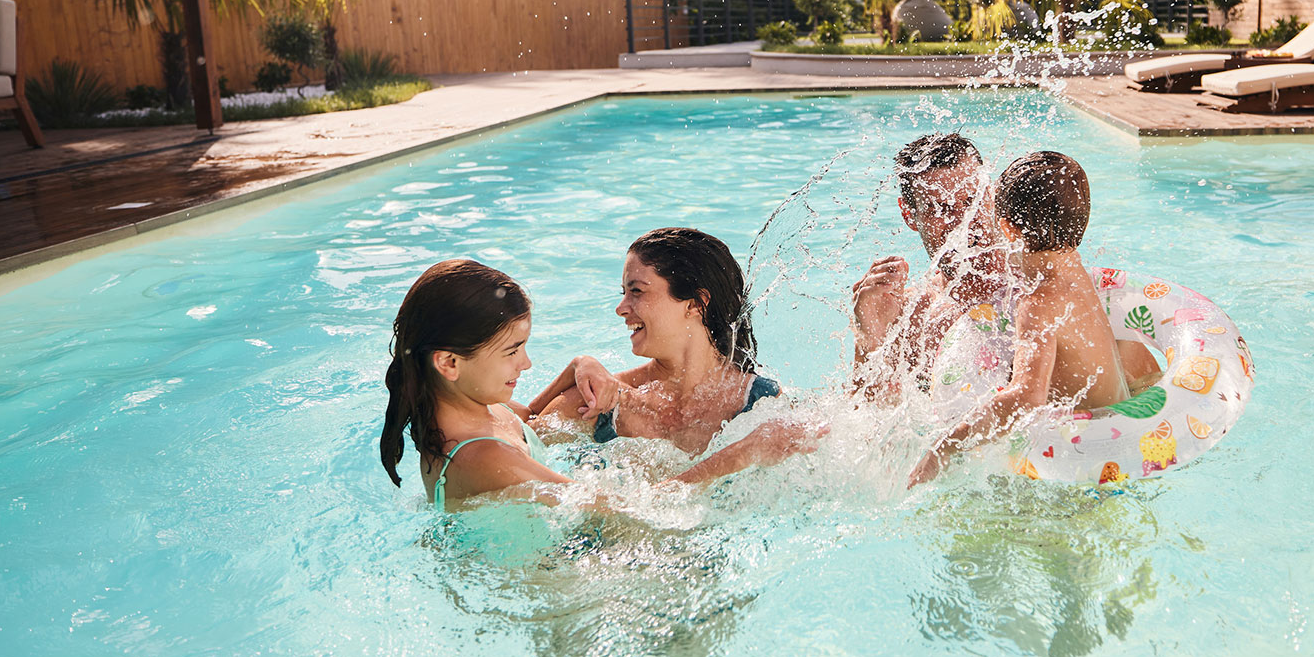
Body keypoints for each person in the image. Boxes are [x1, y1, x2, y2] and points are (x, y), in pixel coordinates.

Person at [909, 151, 1158, 485]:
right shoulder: (1074, 271)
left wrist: (948, 445)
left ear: (1007, 227)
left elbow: (1027, 397)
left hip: (1084, 469)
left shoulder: (1036, 304)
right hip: (1121, 440)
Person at [528, 227, 823, 483]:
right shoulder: (599, 401)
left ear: (696, 304)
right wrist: (576, 365)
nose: (621, 308)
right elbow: (507, 454)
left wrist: (867, 337)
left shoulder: (761, 403)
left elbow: (855, 450)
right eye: (624, 293)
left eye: (637, 291)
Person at [379, 258, 574, 509]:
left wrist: (575, 369)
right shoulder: (484, 457)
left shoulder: (485, 407)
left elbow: (536, 423)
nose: (526, 363)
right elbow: (599, 504)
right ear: (449, 363)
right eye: (512, 352)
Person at [849, 133, 1011, 399]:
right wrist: (870, 339)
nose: (963, 222)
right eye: (941, 208)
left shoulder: (1038, 287)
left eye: (972, 201)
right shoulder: (909, 317)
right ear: (908, 215)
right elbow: (862, 427)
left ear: (992, 194)